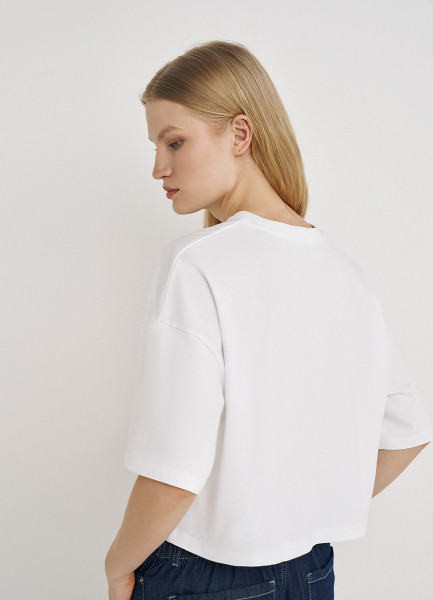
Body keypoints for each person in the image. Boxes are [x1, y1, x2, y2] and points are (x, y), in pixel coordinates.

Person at [104, 40, 433, 600]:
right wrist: (298, 512)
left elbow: (173, 472)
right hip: (312, 570)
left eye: (174, 141)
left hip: (202, 573)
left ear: (239, 134)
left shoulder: (196, 263)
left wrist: (117, 567)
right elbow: (407, 432)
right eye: (156, 146)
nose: (158, 167)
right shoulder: (344, 272)